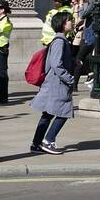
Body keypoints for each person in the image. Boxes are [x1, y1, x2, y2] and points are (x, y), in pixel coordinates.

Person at [29, 11, 76, 154]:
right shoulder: (60, 42)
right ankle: (48, 140)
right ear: (62, 24)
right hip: (58, 84)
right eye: (70, 21)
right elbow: (56, 64)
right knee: (64, 112)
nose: (72, 23)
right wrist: (70, 78)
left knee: (48, 114)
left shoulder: (59, 41)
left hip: (53, 83)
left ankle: (36, 144)